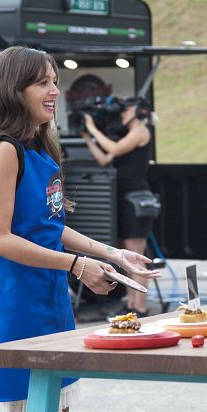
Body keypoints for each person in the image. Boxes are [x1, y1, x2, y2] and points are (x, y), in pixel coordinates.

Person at [0, 46, 159, 412]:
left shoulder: (40, 147)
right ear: (13, 90)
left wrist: (112, 254)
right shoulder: (2, 149)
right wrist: (77, 265)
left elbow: (50, 227)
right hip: (16, 301)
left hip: (50, 297)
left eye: (55, 81)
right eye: (42, 83)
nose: (54, 91)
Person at [82, 96, 157, 317]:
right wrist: (87, 137)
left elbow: (114, 146)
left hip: (137, 199)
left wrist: (92, 128)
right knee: (125, 257)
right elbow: (105, 158)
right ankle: (131, 304)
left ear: (140, 112)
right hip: (123, 198)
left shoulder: (142, 131)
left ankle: (140, 306)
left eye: (127, 111)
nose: (122, 115)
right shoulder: (128, 135)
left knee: (136, 255)